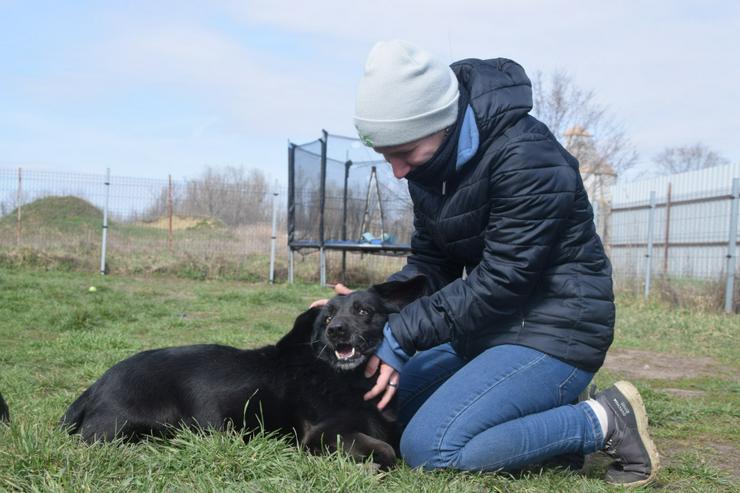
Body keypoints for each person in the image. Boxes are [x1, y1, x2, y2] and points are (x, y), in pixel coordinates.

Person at [314, 40, 659, 487]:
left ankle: (601, 421)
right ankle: (544, 415)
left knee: (432, 447)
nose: (397, 171)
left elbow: (504, 278)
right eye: (385, 156)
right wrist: (369, 307)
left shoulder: (527, 157)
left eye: (404, 152)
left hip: (555, 331)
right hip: (487, 329)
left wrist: (403, 334)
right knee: (382, 407)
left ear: (441, 125)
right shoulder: (430, 171)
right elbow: (431, 265)